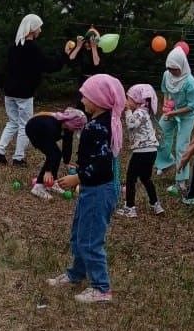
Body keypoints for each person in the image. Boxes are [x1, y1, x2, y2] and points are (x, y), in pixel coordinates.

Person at [46, 74, 125, 303]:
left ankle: (101, 288)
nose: (83, 99)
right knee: (80, 233)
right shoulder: (102, 122)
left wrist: (77, 178)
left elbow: (101, 164)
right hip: (94, 188)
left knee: (91, 239)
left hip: (99, 190)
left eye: (86, 95)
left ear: (99, 100)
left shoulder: (100, 127)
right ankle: (76, 274)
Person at [0, 14, 70, 167]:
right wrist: (64, 55)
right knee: (24, 124)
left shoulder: (14, 47)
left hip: (9, 92)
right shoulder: (33, 48)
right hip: (24, 93)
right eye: (39, 27)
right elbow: (48, 66)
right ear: (33, 28)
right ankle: (18, 157)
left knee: (12, 122)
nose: (40, 30)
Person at [154, 47, 194, 196]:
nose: (172, 71)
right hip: (172, 111)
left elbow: (193, 106)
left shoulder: (191, 84)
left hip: (186, 115)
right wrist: (165, 105)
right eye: (169, 68)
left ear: (182, 66)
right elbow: (166, 92)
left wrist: (173, 112)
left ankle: (181, 180)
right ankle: (166, 162)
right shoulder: (166, 75)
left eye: (175, 69)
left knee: (182, 146)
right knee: (159, 134)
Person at [116, 84, 164, 218]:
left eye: (128, 98)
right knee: (145, 178)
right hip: (151, 151)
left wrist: (127, 110)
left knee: (131, 179)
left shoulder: (140, 112)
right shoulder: (145, 111)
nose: (126, 101)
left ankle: (130, 207)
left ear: (137, 100)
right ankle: (155, 204)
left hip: (142, 151)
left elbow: (131, 124)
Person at [25, 108, 87, 200]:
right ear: (71, 124)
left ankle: (52, 183)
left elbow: (67, 144)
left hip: (44, 130)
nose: (75, 131)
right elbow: (50, 152)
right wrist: (48, 171)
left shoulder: (68, 128)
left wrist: (67, 162)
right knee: (54, 154)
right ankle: (38, 186)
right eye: (76, 128)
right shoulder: (52, 126)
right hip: (35, 130)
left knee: (57, 154)